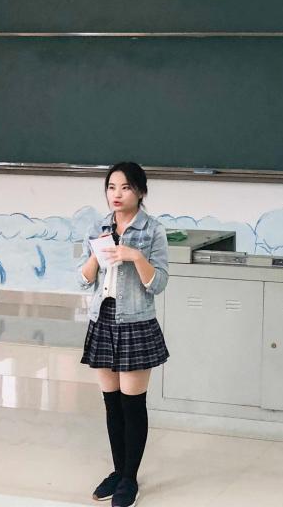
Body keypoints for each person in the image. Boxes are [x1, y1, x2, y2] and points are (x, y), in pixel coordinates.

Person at [78, 162, 170, 507]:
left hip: (135, 322)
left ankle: (130, 479)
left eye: (126, 187)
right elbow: (83, 279)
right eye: (111, 187)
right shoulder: (98, 227)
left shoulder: (153, 230)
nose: (116, 194)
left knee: (132, 405)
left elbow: (158, 283)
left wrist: (135, 256)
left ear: (140, 192)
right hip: (103, 319)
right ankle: (118, 472)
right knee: (112, 403)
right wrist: (96, 256)